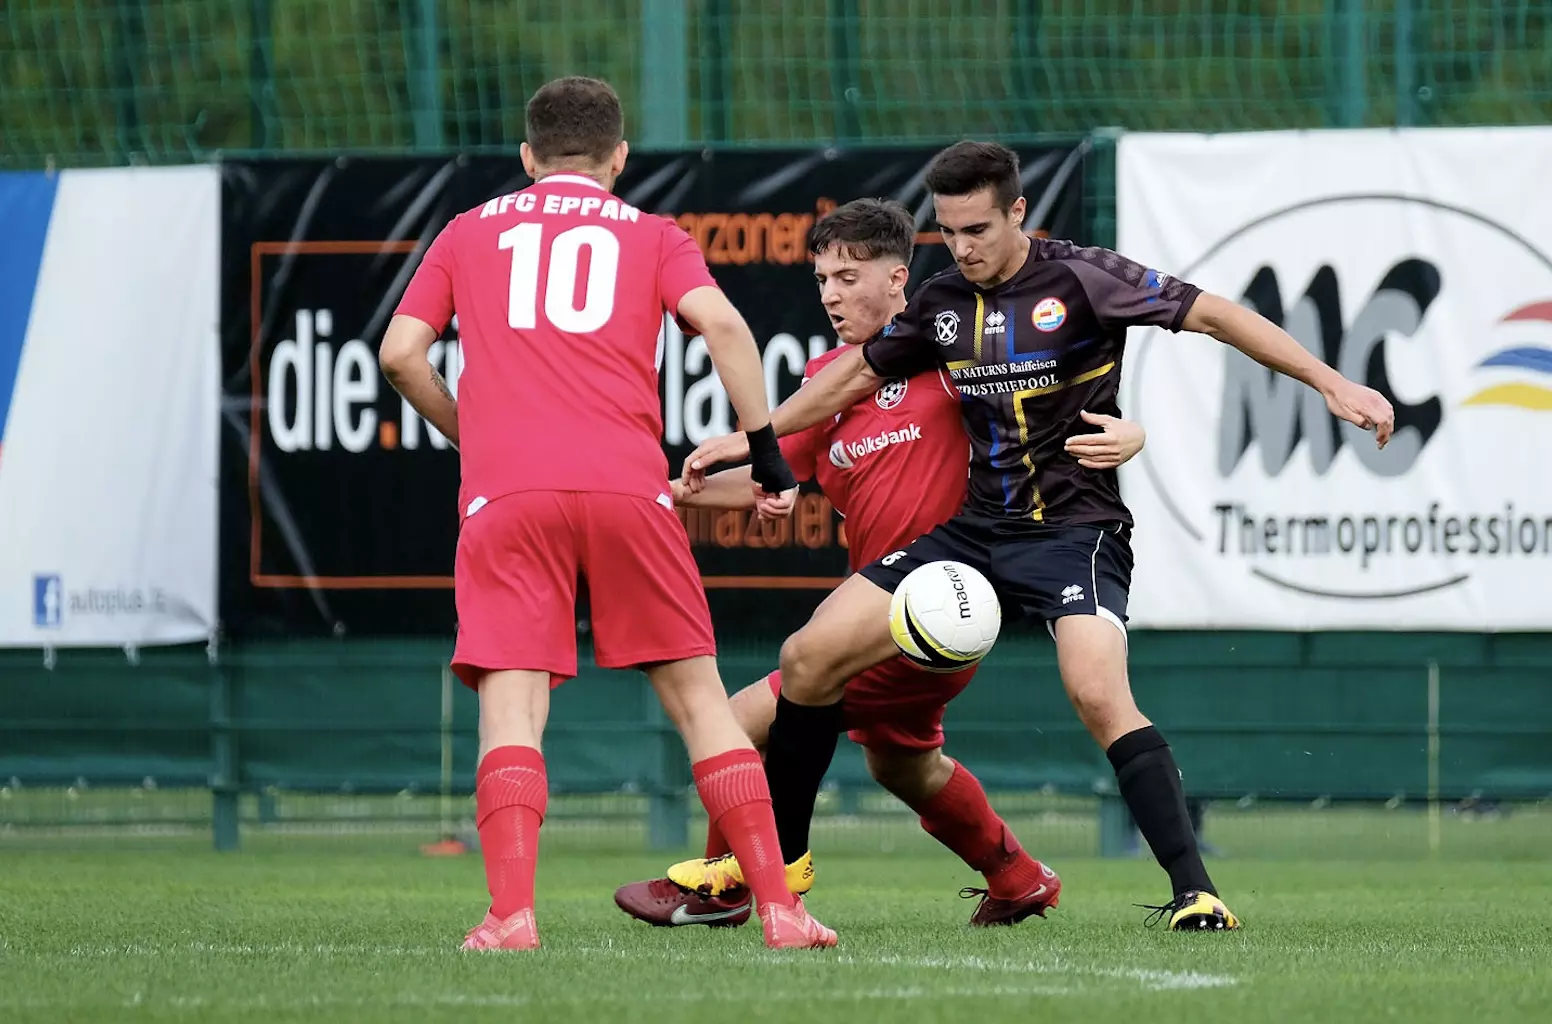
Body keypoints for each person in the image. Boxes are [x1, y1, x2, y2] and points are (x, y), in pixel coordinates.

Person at [683, 141, 1398, 932]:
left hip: (1072, 530)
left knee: (1097, 693)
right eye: (949, 233)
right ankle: (786, 862)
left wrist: (1332, 381)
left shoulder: (1085, 277)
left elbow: (1218, 316)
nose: (963, 249)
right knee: (808, 656)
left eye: (978, 229)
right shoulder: (944, 302)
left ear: (1018, 211)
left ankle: (1197, 890)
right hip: (974, 532)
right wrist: (758, 442)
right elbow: (851, 378)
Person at [379, 76, 835, 951]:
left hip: (508, 495)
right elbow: (728, 330)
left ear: (526, 157)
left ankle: (511, 916)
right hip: (630, 489)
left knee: (511, 712)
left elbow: (402, 354)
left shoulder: (468, 231)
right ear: (620, 158)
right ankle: (780, 909)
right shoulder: (655, 234)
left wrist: (473, 438)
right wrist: (768, 453)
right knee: (703, 705)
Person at [612, 199, 1147, 930]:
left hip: (943, 601)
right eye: (821, 277)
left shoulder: (959, 359)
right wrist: (675, 495)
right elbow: (780, 475)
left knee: (737, 719)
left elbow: (1049, 417)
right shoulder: (831, 378)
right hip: (875, 615)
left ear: (899, 279)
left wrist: (1134, 431)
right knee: (902, 764)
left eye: (847, 275)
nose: (830, 293)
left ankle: (732, 883)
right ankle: (1018, 877)